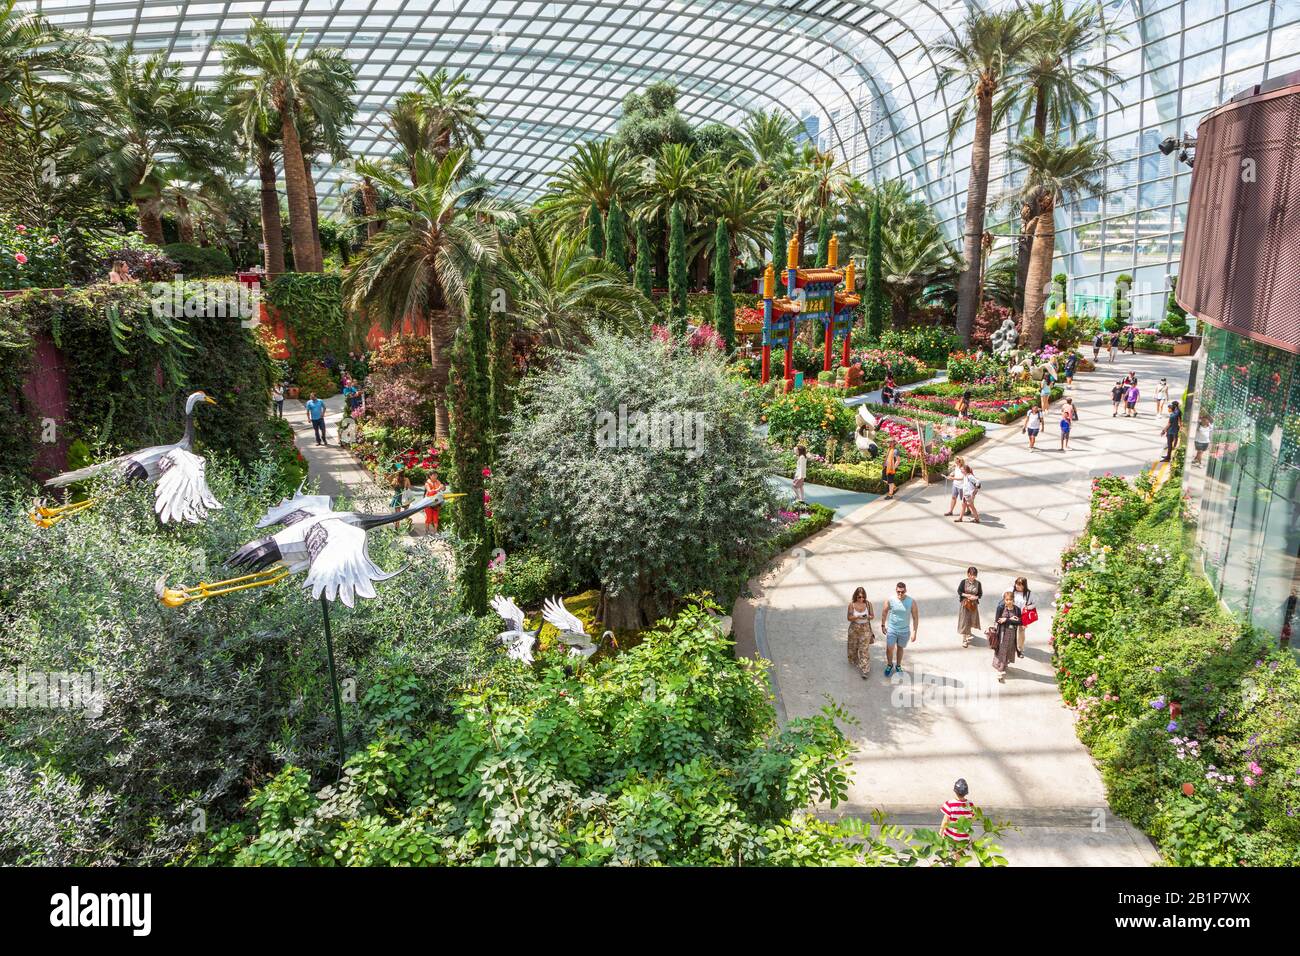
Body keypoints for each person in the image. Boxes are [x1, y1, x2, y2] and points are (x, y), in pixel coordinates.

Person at [882, 581, 918, 678]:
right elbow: (884, 612)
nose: (900, 594)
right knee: (889, 648)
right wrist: (883, 625)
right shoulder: (891, 600)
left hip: (904, 630)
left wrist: (914, 632)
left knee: (900, 648)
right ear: (896, 590)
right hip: (892, 629)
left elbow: (915, 617)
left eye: (902, 592)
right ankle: (889, 665)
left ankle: (898, 665)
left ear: (905, 590)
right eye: (898, 592)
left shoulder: (911, 602)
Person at [991, 590, 1022, 682]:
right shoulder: (1000, 608)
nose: (1008, 601)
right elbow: (998, 620)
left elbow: (1020, 621)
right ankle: (1000, 670)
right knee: (1002, 650)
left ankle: (1003, 664)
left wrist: (1007, 619)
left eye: (1010, 600)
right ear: (1004, 600)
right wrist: (1011, 619)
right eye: (1006, 600)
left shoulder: (1017, 609)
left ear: (1013, 600)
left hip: (1012, 633)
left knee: (1009, 649)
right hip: (1002, 633)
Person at [846, 587, 874, 678]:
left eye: (863, 597)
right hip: (854, 627)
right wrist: (857, 616)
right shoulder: (852, 605)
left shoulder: (868, 604)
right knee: (852, 647)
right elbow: (849, 618)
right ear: (856, 596)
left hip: (865, 628)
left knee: (864, 649)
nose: (861, 599)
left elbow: (872, 616)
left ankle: (865, 670)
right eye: (859, 597)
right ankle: (854, 660)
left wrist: (867, 617)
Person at [940, 778, 974, 845]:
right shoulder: (970, 804)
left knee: (952, 853)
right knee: (959, 854)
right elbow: (971, 821)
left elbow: (945, 821)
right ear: (966, 792)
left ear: (955, 791)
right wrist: (971, 836)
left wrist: (940, 833)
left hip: (951, 836)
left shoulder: (949, 804)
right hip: (964, 837)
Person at [956, 566, 982, 648]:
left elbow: (980, 594)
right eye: (971, 575)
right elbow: (959, 591)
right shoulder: (964, 582)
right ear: (968, 574)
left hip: (973, 605)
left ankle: (968, 632)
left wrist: (975, 597)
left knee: (971, 619)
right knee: (964, 621)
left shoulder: (978, 583)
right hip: (965, 604)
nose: (972, 577)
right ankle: (964, 639)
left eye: (974, 575)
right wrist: (967, 595)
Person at [1011, 577, 1034, 657]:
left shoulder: (1028, 594)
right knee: (1011, 630)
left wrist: (1027, 608)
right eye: (1016, 584)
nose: (1017, 586)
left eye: (1019, 585)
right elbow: (1005, 597)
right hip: (1012, 614)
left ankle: (1020, 648)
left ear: (1024, 585)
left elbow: (1034, 604)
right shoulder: (1012, 590)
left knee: (1021, 632)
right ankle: (1012, 647)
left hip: (1022, 615)